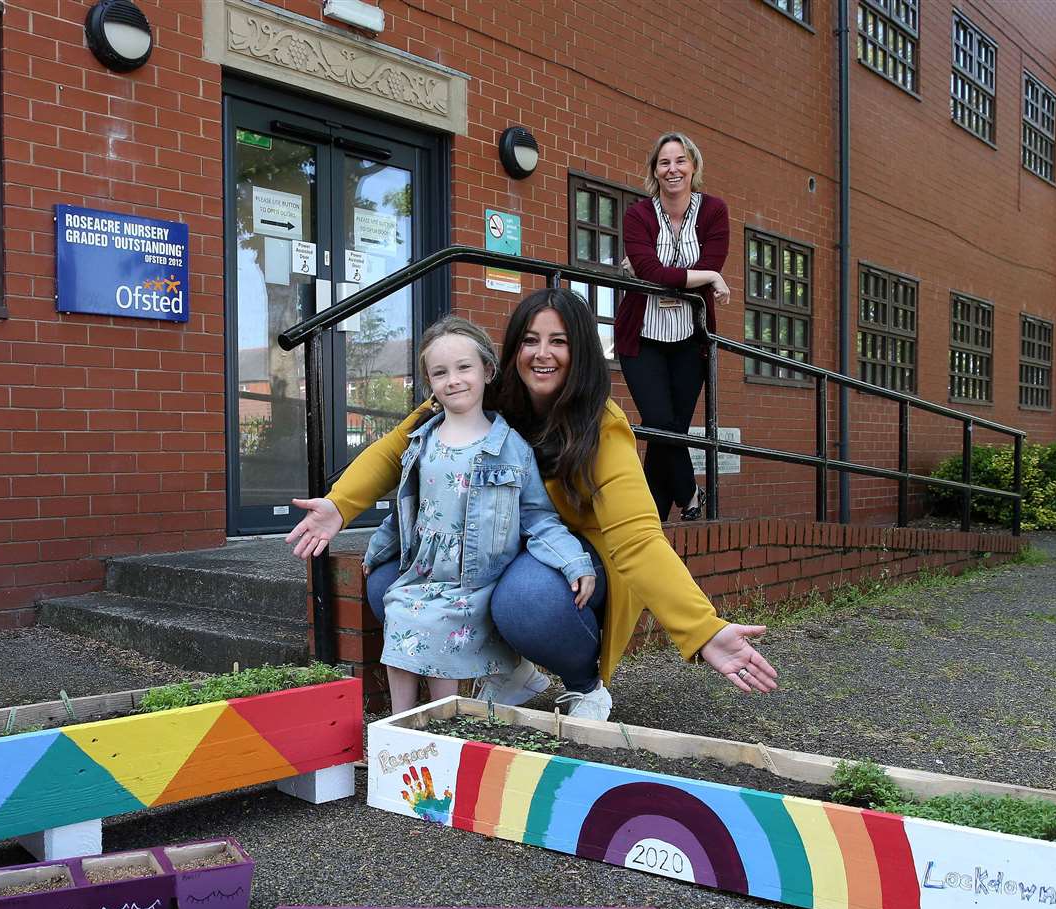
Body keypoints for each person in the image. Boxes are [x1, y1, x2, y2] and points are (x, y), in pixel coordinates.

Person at [286, 288, 776, 721]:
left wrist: (702, 630)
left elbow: (638, 538)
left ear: (581, 350)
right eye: (530, 340)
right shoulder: (481, 393)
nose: (543, 354)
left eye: (558, 341)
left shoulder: (599, 426)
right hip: (486, 549)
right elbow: (400, 446)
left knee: (525, 598)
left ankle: (584, 685)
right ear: (511, 349)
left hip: (569, 564)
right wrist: (339, 504)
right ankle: (514, 672)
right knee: (392, 578)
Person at [361, 315, 596, 716]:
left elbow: (537, 517)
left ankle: (445, 722)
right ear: (430, 385)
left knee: (435, 625)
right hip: (426, 572)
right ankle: (400, 725)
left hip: (475, 578)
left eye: (463, 367)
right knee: (398, 607)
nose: (453, 380)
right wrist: (376, 550)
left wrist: (574, 561)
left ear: (488, 370)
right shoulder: (422, 442)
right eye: (440, 372)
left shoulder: (510, 448)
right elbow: (405, 510)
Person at [618, 131, 732, 523]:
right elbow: (649, 270)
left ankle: (655, 518)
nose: (673, 169)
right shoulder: (638, 214)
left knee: (669, 431)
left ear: (693, 166)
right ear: (654, 171)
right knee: (660, 424)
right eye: (664, 162)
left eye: (680, 161)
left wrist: (690, 274)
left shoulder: (714, 211)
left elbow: (705, 262)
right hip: (642, 337)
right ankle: (690, 490)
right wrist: (706, 278)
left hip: (690, 341)